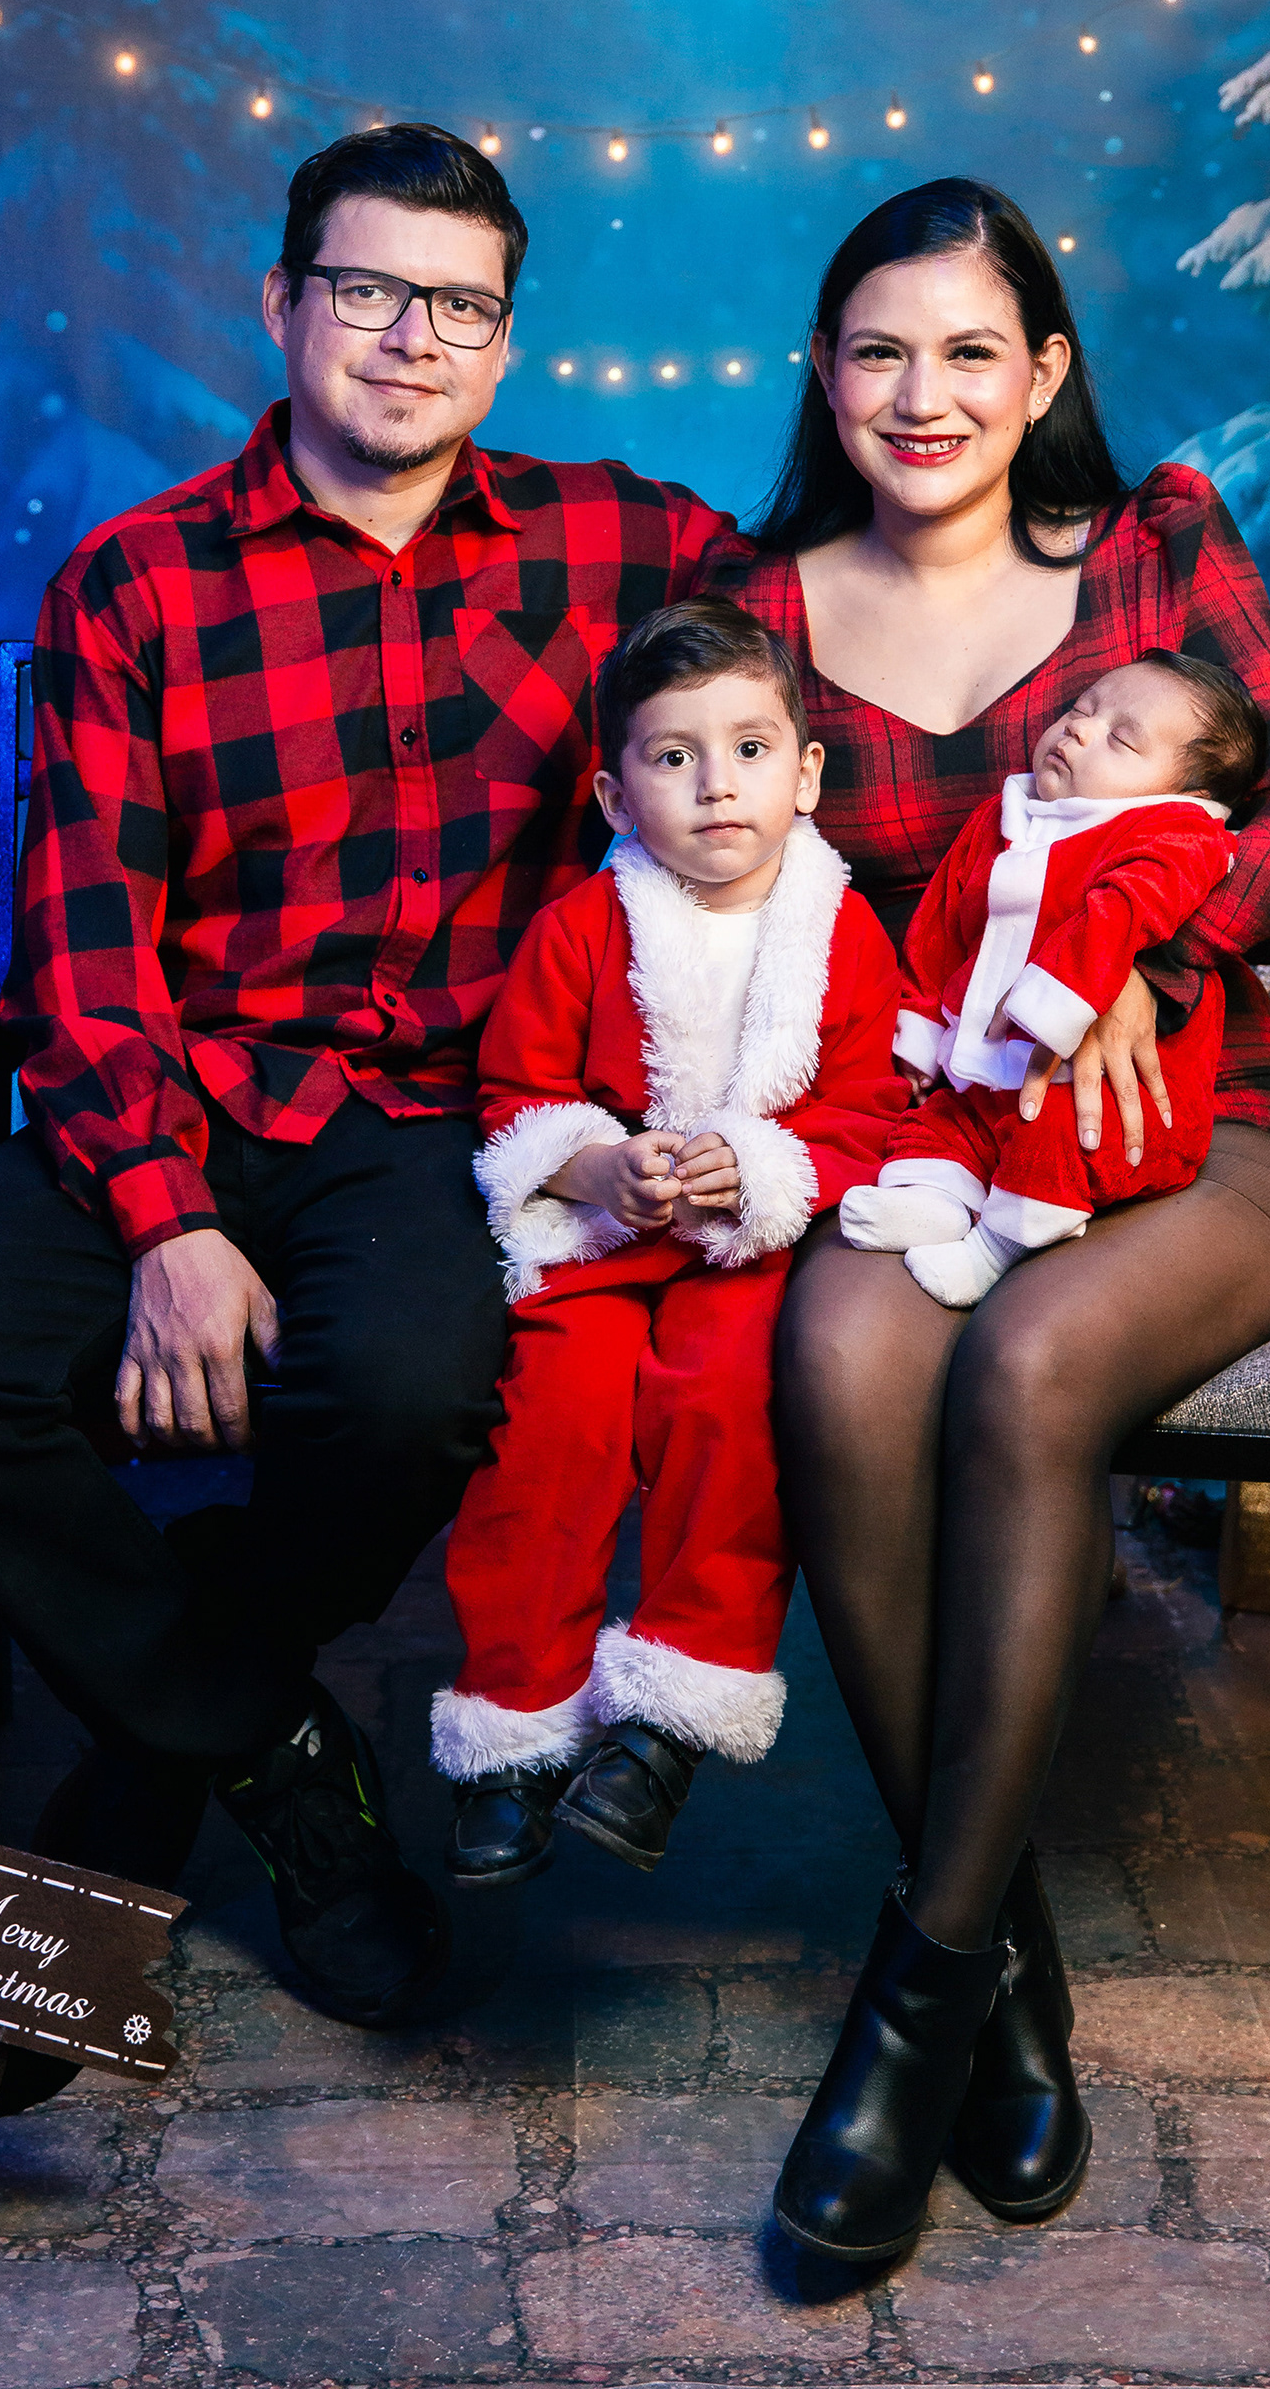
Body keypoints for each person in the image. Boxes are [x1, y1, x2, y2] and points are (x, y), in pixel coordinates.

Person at [0, 124, 737, 2037]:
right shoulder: (141, 581)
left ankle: (166, 1758)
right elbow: (79, 954)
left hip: (430, 1124)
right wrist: (168, 1225)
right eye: (370, 289)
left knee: (412, 1392)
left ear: (506, 343)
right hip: (176, 1083)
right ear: (283, 302)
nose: (414, 338)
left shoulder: (618, 546)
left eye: (461, 306)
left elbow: (846, 602)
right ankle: (285, 1760)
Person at [709, 178, 1270, 2263]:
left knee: (1029, 1367)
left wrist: (1161, 953)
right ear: (825, 373)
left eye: (972, 350)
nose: (925, 394)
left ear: (1045, 370)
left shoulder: (1150, 548)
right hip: (940, 1134)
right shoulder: (763, 605)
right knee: (836, 1362)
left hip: (1195, 1127)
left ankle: (910, 2003)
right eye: (879, 350)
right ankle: (1000, 1955)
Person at [435, 600, 902, 1888]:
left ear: (806, 772)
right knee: (553, 1424)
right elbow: (517, 1096)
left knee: (731, 1410)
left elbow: (873, 1110)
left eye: (751, 749)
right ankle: (514, 1730)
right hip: (604, 1246)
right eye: (674, 756)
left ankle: (672, 1716)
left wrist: (759, 1163)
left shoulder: (841, 932)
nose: (717, 786)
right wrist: (594, 1164)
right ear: (613, 793)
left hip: (750, 1253)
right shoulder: (581, 928)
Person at [845, 652, 1264, 1306]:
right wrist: (922, 1028)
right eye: (1080, 709)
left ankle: (998, 1247)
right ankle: (931, 1200)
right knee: (942, 1122)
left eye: (1121, 740)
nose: (1078, 729)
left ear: (1182, 792)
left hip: (1108, 1090)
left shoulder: (1173, 835)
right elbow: (941, 925)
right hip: (984, 1072)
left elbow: (1122, 912)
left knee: (1061, 1134)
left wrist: (1055, 1003)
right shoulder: (1004, 817)